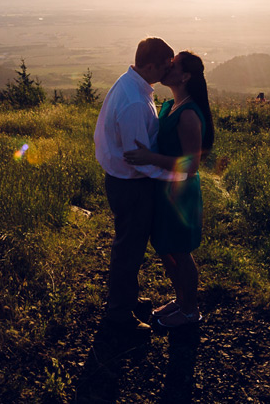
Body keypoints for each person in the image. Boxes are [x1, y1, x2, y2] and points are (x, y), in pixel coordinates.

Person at [124, 50, 215, 328]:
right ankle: (181, 301)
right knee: (166, 249)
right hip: (164, 189)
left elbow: (190, 165)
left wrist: (149, 159)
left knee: (180, 252)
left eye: (173, 65)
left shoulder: (188, 114)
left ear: (185, 76)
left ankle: (190, 311)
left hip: (180, 192)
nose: (167, 67)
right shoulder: (170, 105)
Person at [93, 36, 175, 335]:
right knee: (128, 249)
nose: (168, 71)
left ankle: (126, 299)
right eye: (165, 66)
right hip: (131, 185)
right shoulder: (134, 103)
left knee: (130, 245)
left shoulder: (131, 84)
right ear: (150, 65)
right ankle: (119, 314)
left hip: (123, 180)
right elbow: (137, 159)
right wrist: (176, 175)